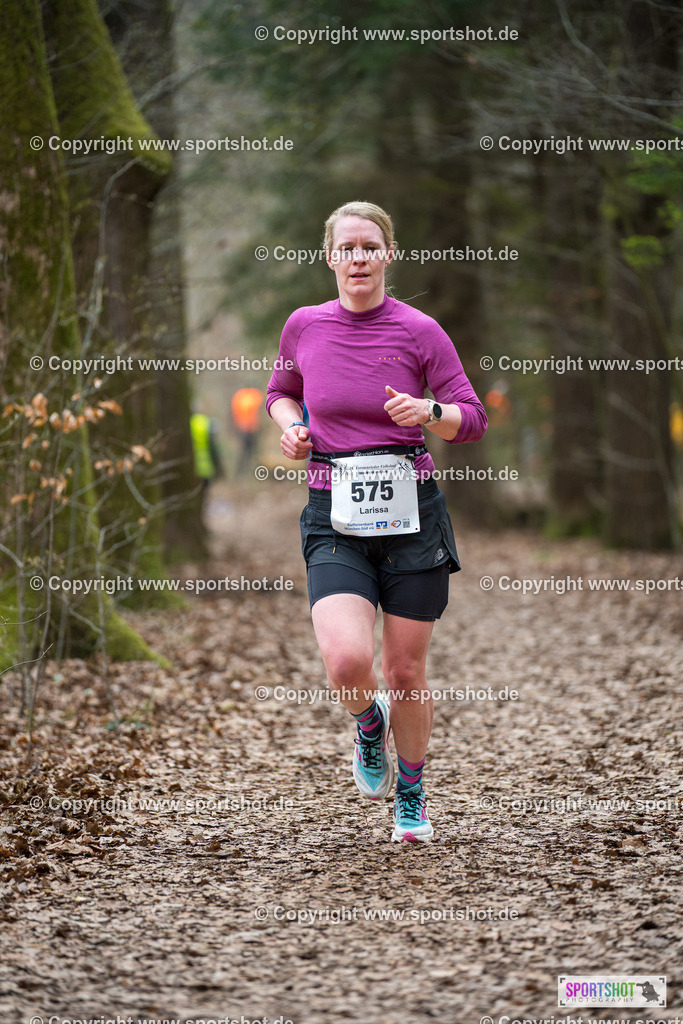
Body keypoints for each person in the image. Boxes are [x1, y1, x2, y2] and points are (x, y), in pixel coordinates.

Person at [266, 201, 487, 843]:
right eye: (347, 248)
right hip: (333, 511)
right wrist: (293, 429)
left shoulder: (420, 330)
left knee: (407, 672)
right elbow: (281, 393)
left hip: (412, 513)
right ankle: (369, 724)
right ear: (330, 256)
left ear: (387, 254)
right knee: (344, 662)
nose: (359, 258)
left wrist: (428, 410)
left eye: (370, 247)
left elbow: (469, 418)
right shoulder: (304, 325)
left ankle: (412, 792)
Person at [230, 386, 263, 474]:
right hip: (250, 429)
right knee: (250, 451)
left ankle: (243, 472)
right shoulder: (255, 395)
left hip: (243, 428)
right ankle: (247, 471)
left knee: (246, 451)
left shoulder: (239, 396)